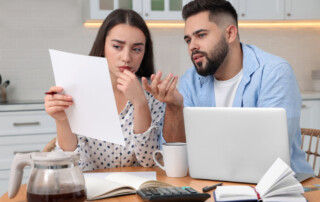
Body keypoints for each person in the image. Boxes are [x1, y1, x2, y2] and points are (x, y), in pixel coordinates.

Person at [142, 0, 314, 174]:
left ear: (230, 34)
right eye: (188, 40)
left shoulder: (274, 73)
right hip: (212, 184)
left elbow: (272, 153)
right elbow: (177, 158)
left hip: (277, 188)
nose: (192, 46)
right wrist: (174, 107)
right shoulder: (190, 80)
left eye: (201, 35)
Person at [45, 9, 165, 171]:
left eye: (136, 49)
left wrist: (140, 103)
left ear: (145, 52)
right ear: (103, 46)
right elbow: (73, 166)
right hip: (92, 191)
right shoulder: (78, 91)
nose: (126, 57)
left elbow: (149, 161)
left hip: (138, 191)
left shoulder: (153, 93)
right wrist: (62, 120)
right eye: (117, 46)